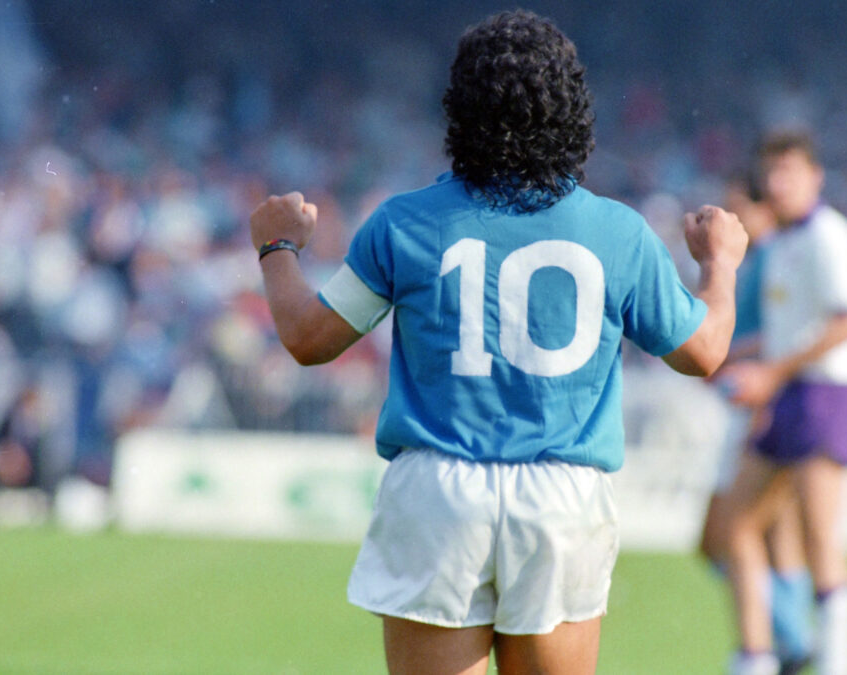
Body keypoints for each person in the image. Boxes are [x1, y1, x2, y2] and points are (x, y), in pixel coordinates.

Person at [249, 11, 748, 675]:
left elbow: (308, 339)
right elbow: (705, 351)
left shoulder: (403, 223)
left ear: (460, 110)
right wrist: (721, 263)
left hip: (438, 494)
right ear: (574, 110)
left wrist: (277, 245)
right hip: (561, 499)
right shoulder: (618, 232)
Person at [718, 132, 847, 675]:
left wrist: (771, 373)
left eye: (788, 171)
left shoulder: (829, 236)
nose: (777, 183)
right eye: (770, 173)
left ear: (816, 177)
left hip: (827, 392)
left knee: (818, 539)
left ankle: (835, 664)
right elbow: (786, 331)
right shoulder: (783, 242)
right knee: (736, 525)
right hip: (787, 391)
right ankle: (757, 656)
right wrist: (735, 358)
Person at [698, 169, 814, 674]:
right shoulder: (763, 258)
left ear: (764, 208)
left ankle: (780, 641)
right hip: (761, 405)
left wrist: (723, 355)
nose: (732, 220)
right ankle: (789, 637)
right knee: (771, 533)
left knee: (727, 534)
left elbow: (782, 334)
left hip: (763, 407)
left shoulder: (774, 259)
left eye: (739, 209)